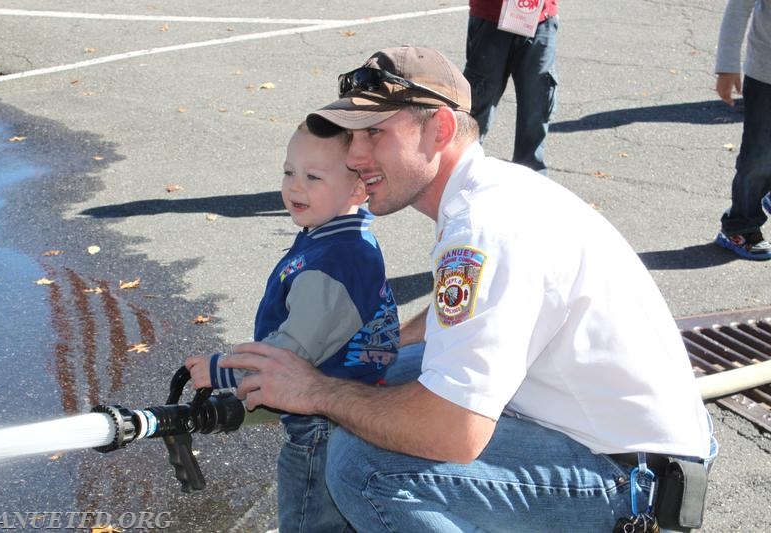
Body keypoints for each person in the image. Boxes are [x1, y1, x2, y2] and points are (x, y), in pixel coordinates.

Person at [215, 46, 717, 531]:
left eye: (374, 133)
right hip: (615, 443)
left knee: (365, 467)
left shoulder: (484, 227)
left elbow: (452, 433)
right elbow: (465, 319)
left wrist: (316, 390)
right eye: (353, 136)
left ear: (441, 128)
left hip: (630, 481)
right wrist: (383, 349)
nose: (356, 155)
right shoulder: (490, 192)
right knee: (374, 374)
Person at [186, 122, 400, 533]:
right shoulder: (332, 238)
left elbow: (294, 352)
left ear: (357, 191)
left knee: (308, 517)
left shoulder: (335, 261)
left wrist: (223, 369)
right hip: (341, 405)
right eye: (289, 172)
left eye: (313, 177)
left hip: (321, 421)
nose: (294, 187)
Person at [463, 0, 558, 174]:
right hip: (491, 16)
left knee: (536, 107)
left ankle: (530, 183)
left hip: (540, 19)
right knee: (478, 105)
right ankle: (461, 175)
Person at [713, 0, 771, 260]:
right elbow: (737, 10)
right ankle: (740, 226)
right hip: (766, 76)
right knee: (758, 157)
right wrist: (727, 66)